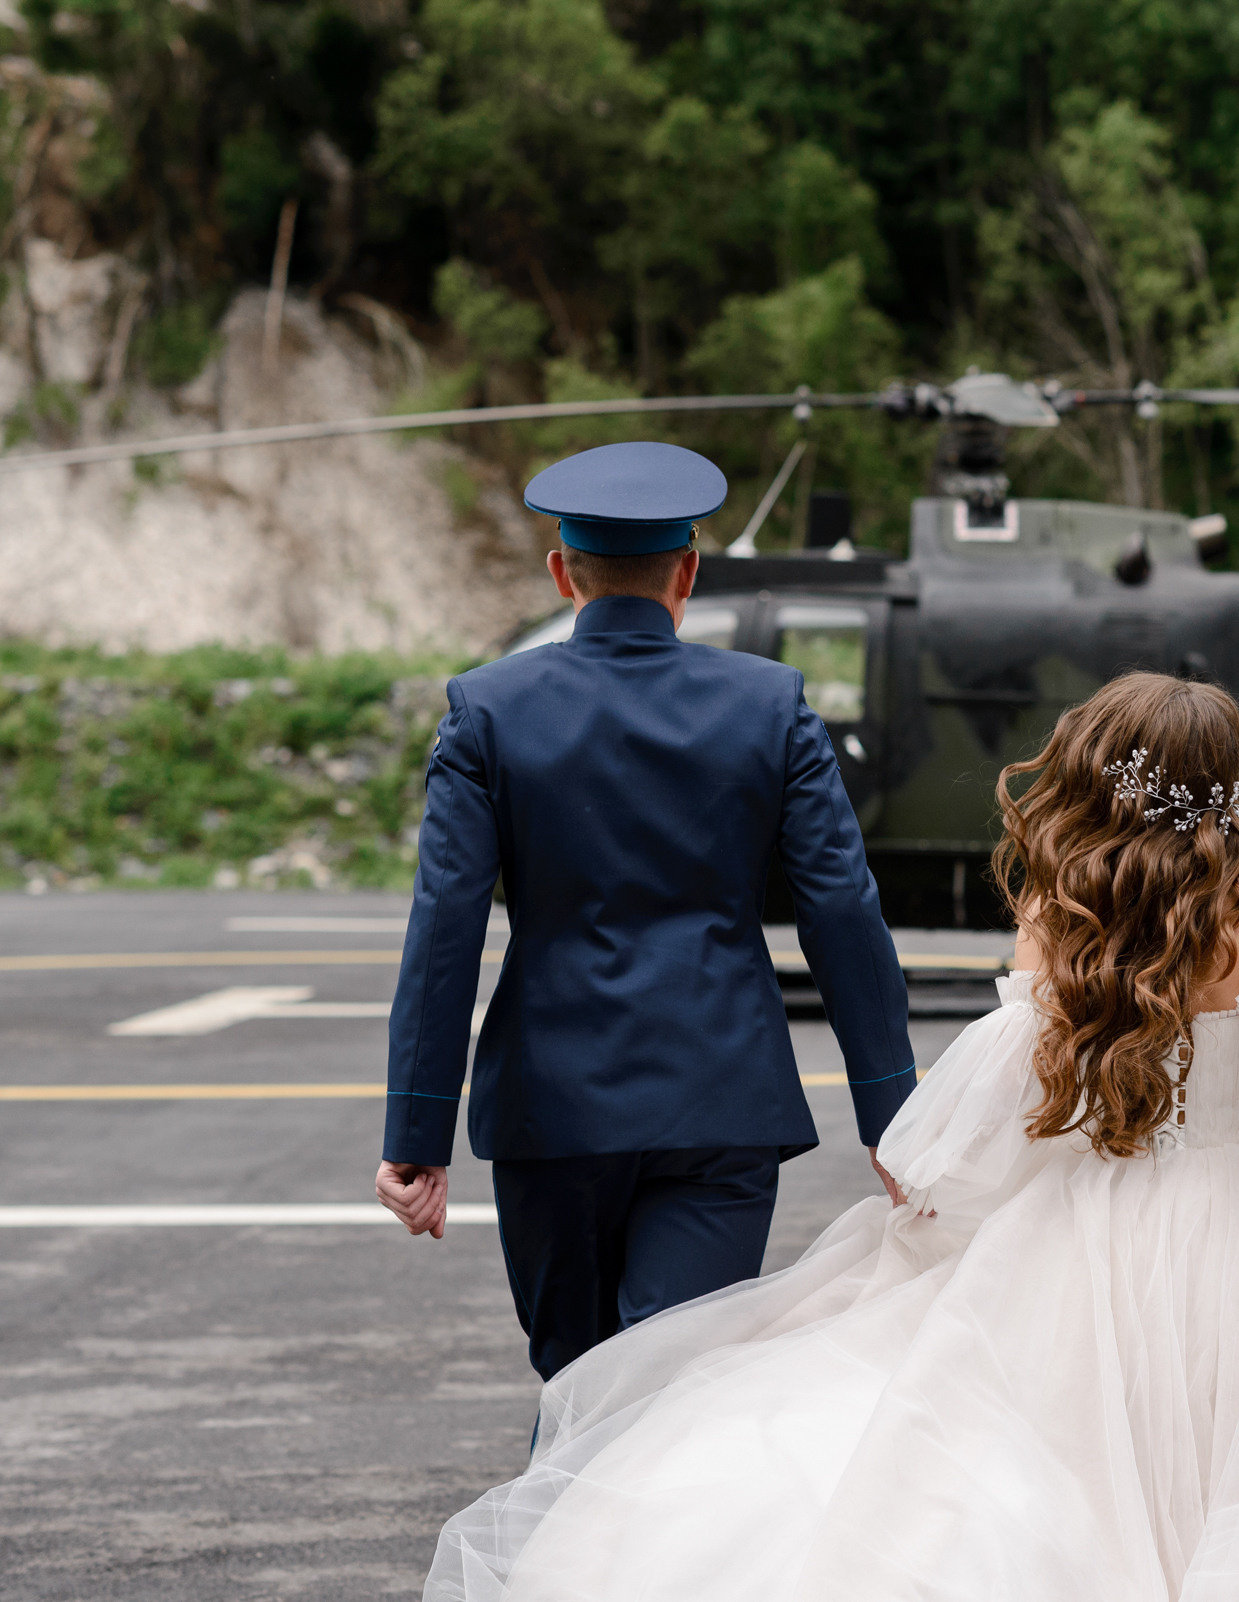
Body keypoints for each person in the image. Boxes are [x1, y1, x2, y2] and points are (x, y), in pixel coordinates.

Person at [424, 671, 1239, 1602]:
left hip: (1081, 1218)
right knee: (1222, 1441)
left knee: (1054, 1443)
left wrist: (944, 1194)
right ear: (1231, 784)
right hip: (1232, 1231)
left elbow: (1014, 1098)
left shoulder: (1057, 910)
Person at [374, 440, 917, 1385]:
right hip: (721, 1104)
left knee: (579, 1385)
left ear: (562, 575)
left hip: (552, 1111)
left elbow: (444, 927)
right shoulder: (772, 705)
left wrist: (416, 1136)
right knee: (670, 1392)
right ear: (688, 574)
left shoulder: (485, 710)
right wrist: (892, 1113)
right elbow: (841, 908)